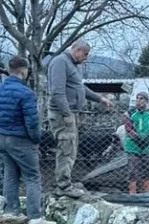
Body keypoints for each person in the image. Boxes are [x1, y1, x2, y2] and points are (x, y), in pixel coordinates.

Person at [0, 57, 56, 224]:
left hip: (3, 139)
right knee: (32, 177)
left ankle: (11, 212)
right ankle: (34, 217)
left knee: (10, 175)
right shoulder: (26, 93)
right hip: (21, 140)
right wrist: (36, 138)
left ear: (8, 70)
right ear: (24, 71)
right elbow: (32, 121)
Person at [47, 39, 114, 198]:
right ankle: (63, 186)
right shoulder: (60, 62)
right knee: (66, 149)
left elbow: (79, 87)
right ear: (76, 50)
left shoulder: (71, 66)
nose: (86, 58)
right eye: (85, 54)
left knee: (71, 150)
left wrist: (99, 98)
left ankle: (66, 181)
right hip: (62, 115)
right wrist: (66, 113)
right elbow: (57, 91)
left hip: (70, 114)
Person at [123, 91, 149, 194]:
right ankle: (132, 191)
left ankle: (148, 189)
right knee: (133, 169)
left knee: (148, 168)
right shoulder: (129, 113)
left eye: (141, 98)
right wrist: (137, 139)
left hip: (147, 146)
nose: (138, 101)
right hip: (133, 146)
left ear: (146, 101)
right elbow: (128, 128)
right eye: (137, 98)